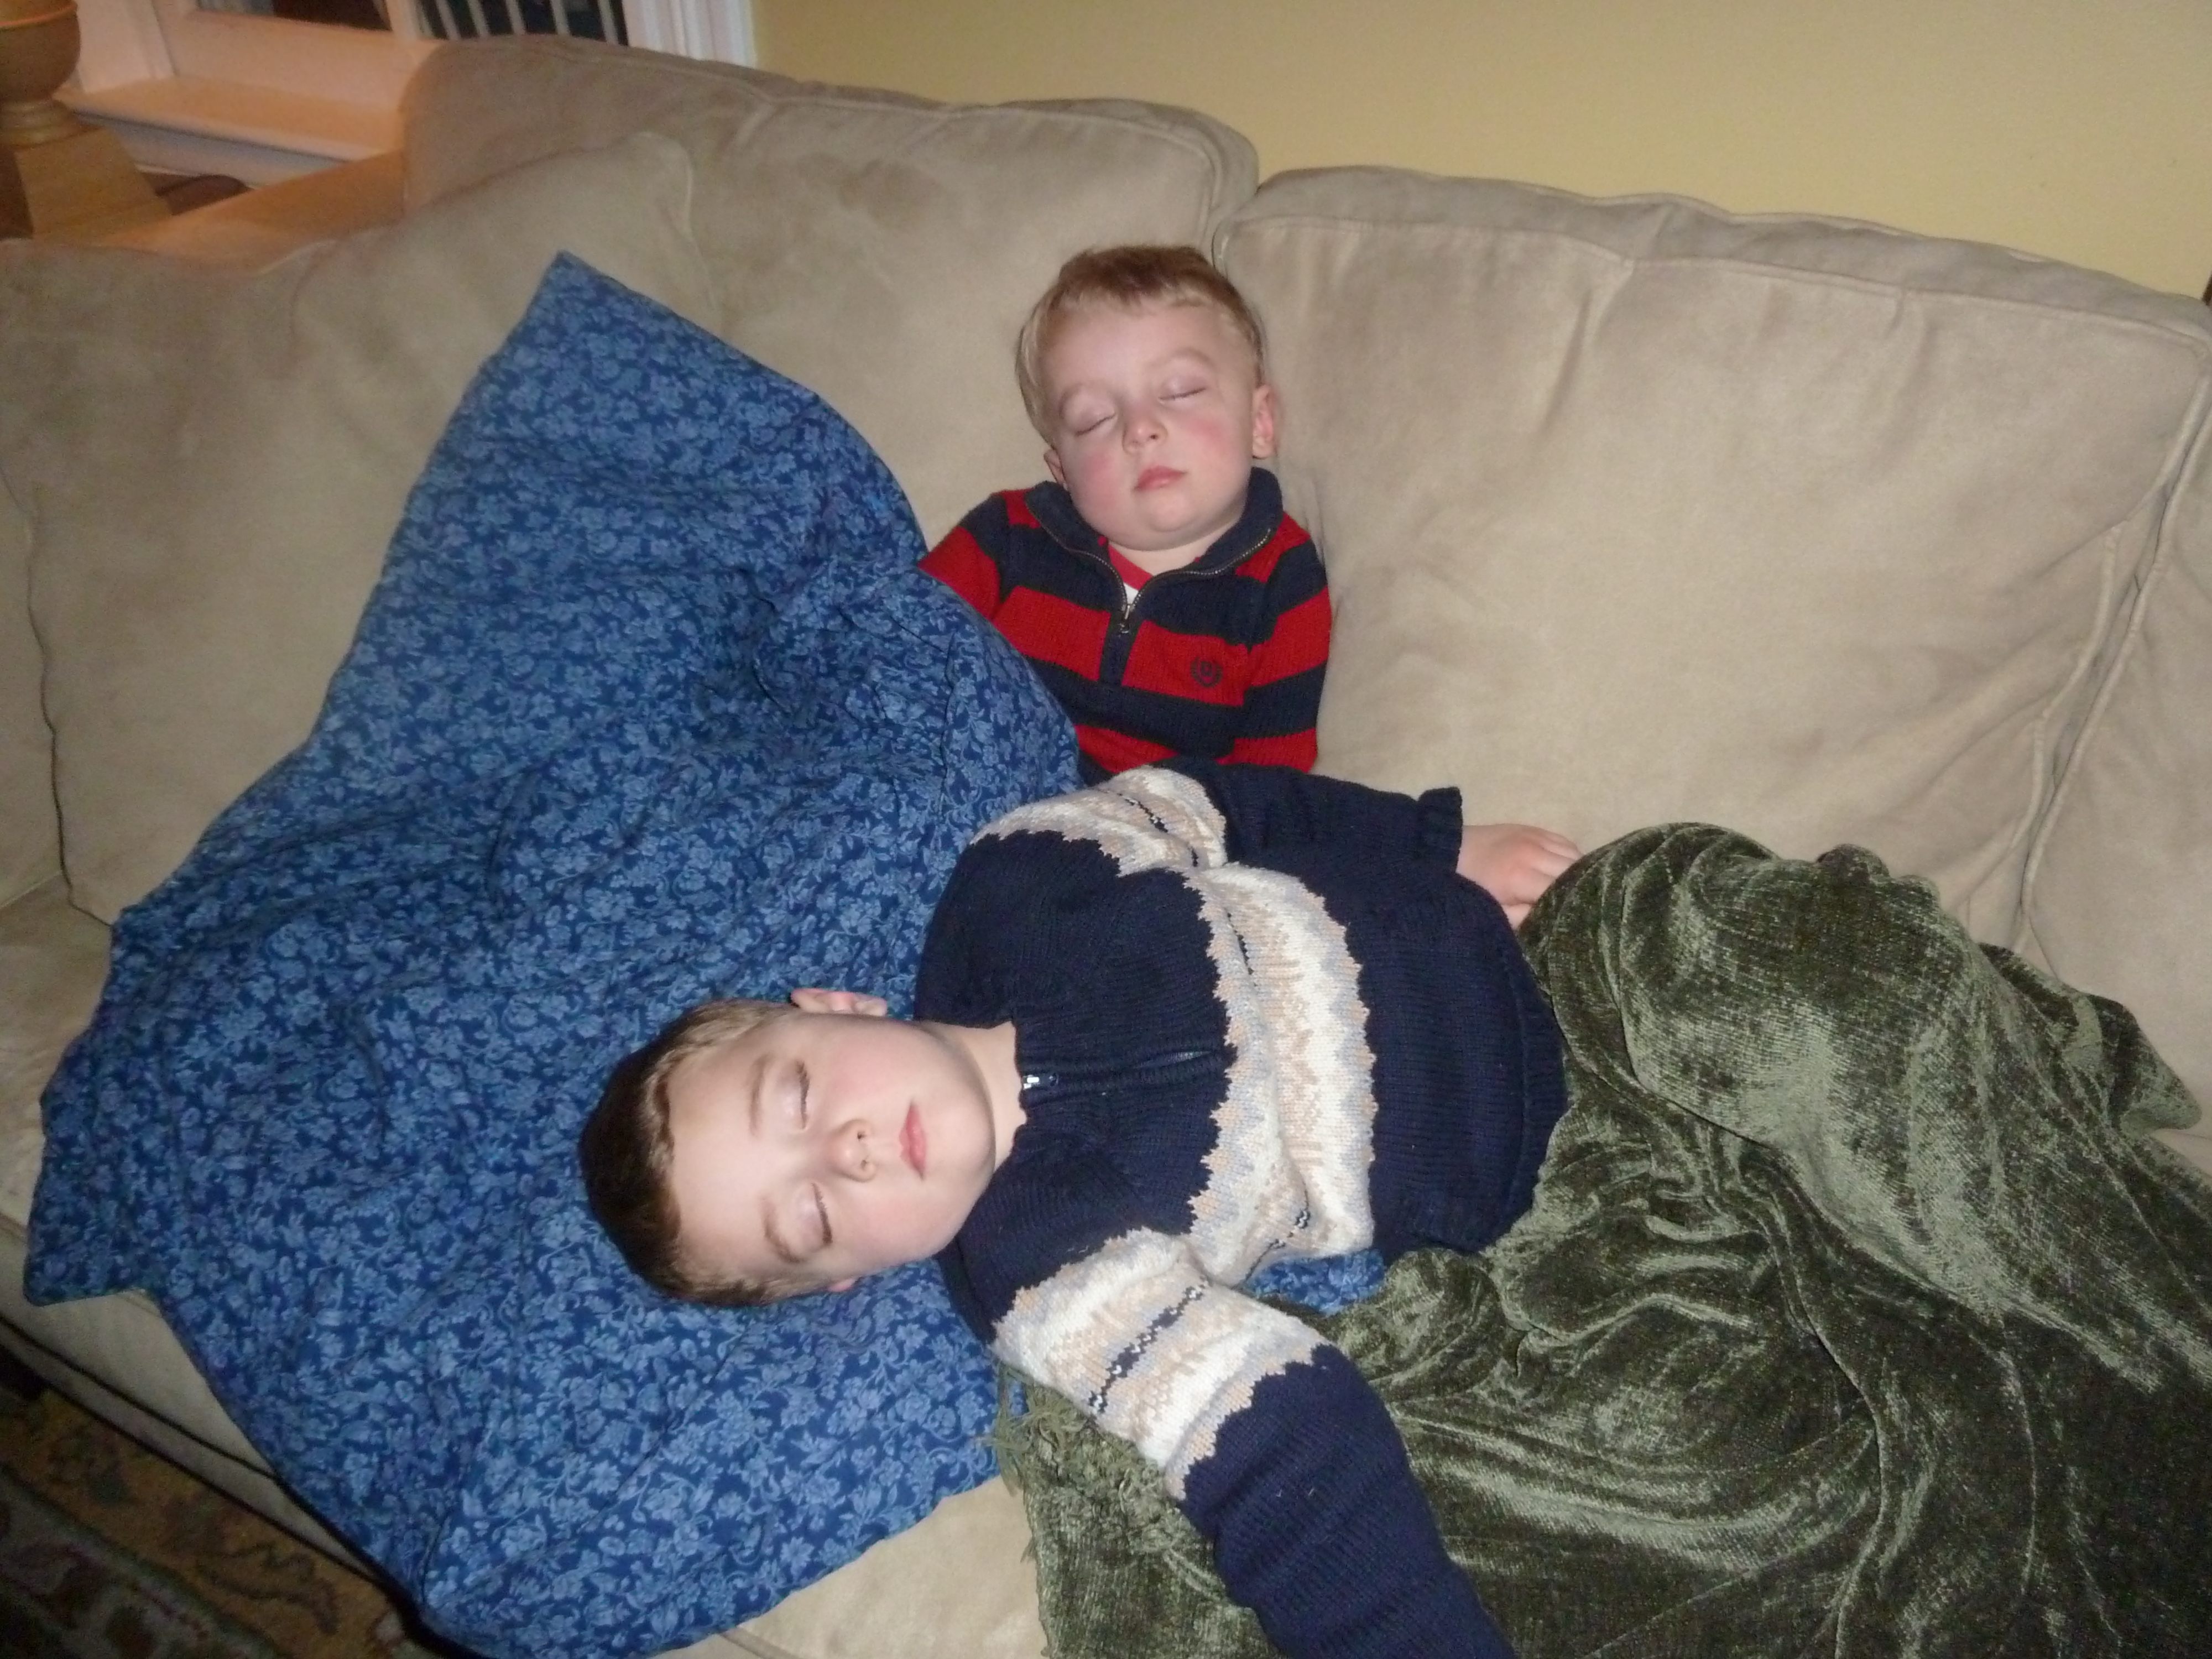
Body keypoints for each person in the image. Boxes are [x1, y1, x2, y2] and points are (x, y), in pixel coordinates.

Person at [581, 760, 1584, 1659]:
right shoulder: (1039, 1273)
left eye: (799, 1097)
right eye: (811, 1217)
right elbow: (1269, 1434)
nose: (846, 1151)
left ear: (837, 1006)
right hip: (1550, 1158)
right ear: (850, 1277)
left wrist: (1435, 843)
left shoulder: (1013, 880)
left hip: (1540, 922)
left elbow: (1221, 806)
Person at [920, 245, 1329, 781]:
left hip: (1157, 822)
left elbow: (1272, 785)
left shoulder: (1284, 583)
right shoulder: (1005, 539)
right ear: (1063, 471)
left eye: (1180, 391)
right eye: (1093, 419)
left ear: (1259, 423)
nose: (1140, 429)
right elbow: (896, 644)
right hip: (975, 785)